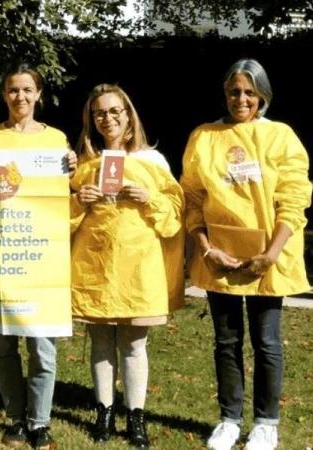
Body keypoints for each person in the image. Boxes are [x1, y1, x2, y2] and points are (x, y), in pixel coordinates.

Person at [181, 59, 311, 450]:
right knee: (226, 339)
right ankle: (229, 419)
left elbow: (293, 198)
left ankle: (266, 423)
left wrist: (270, 255)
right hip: (219, 255)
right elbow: (192, 199)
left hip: (267, 258)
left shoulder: (281, 137)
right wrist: (205, 247)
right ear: (225, 94)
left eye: (249, 92)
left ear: (262, 96)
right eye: (235, 91)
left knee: (267, 340)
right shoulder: (204, 136)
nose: (241, 99)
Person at [71, 84, 184, 449]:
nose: (108, 119)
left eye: (115, 111)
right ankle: (104, 410)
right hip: (96, 262)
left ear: (128, 115)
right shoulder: (84, 164)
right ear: (92, 120)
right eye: (100, 113)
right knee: (101, 339)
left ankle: (136, 414)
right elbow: (61, 217)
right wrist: (79, 199)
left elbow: (175, 215)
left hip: (138, 265)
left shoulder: (154, 162)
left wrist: (149, 197)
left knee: (134, 342)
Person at [0, 64, 77, 450]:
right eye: (13, 90)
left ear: (39, 94)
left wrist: (72, 170)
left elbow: (67, 195)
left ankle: (41, 421)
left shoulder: (57, 141)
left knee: (42, 346)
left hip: (40, 255)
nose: (20, 97)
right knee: (3, 344)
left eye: (27, 90)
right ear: (4, 94)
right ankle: (15, 419)